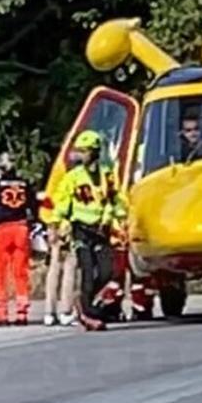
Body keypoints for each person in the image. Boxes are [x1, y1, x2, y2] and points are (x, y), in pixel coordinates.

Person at [47, 130, 125, 331]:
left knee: (107, 272)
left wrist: (121, 218)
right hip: (81, 230)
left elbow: (114, 199)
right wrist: (55, 225)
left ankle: (85, 302)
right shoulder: (73, 177)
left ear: (95, 151)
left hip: (101, 230)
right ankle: (87, 312)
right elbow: (62, 202)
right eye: (79, 151)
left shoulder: (107, 174)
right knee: (87, 273)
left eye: (84, 151)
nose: (80, 155)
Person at [0, 152, 38, 325]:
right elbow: (33, 207)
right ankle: (22, 312)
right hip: (21, 229)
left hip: (1, 230)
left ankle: (0, 312)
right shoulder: (25, 184)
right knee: (21, 272)